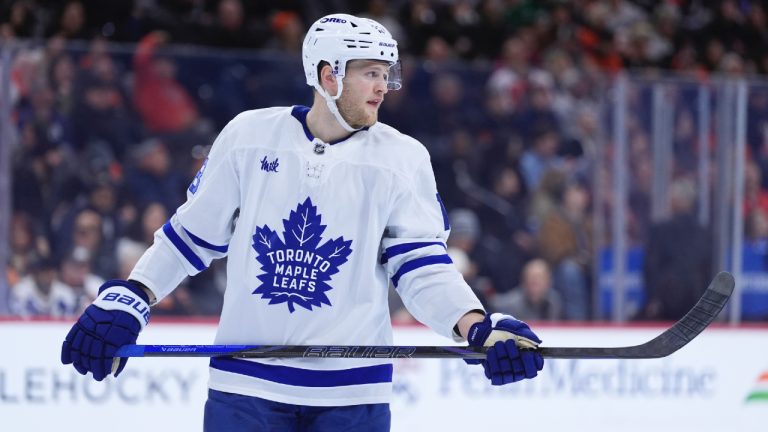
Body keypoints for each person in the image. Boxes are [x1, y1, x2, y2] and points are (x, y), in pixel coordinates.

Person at [61, 13, 544, 431]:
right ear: (329, 76)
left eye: (386, 74)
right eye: (371, 73)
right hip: (246, 388)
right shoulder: (249, 137)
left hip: (351, 395)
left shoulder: (403, 158)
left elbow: (421, 267)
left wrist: (476, 325)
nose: (383, 87)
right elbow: (190, 236)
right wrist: (133, 296)